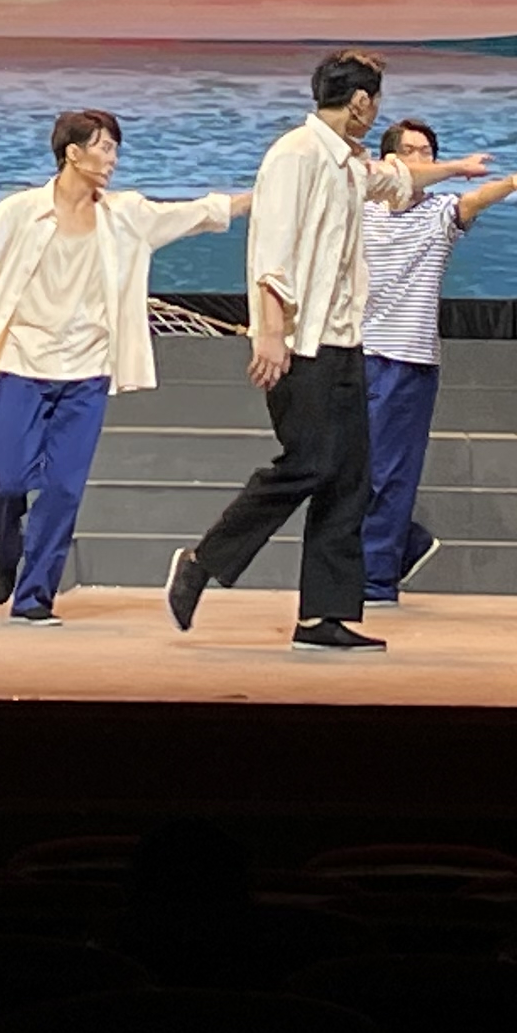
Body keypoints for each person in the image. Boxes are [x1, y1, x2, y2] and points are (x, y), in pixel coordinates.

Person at [165, 50, 484, 653]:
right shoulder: (296, 155)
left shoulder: (350, 162)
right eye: (376, 100)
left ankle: (323, 616)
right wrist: (270, 332)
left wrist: (458, 170)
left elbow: (397, 182)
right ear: (360, 101)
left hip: (344, 341)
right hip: (299, 341)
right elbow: (272, 249)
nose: (376, 110)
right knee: (308, 463)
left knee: (350, 479)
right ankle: (204, 561)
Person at [0, 110, 247, 624]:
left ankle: (34, 597)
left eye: (115, 149)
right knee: (8, 480)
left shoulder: (126, 214)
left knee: (63, 489)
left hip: (87, 372)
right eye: (104, 148)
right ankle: (8, 543)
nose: (112, 160)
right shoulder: (21, 210)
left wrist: (268, 194)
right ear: (73, 153)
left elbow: (202, 213)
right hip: (24, 364)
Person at [355, 115, 517, 607]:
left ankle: (376, 579)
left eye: (427, 153)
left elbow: (472, 201)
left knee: (389, 472)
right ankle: (406, 543)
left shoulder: (440, 213)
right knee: (348, 467)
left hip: (407, 359)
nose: (420, 160)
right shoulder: (361, 208)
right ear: (388, 159)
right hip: (355, 352)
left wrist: (510, 183)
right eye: (409, 151)